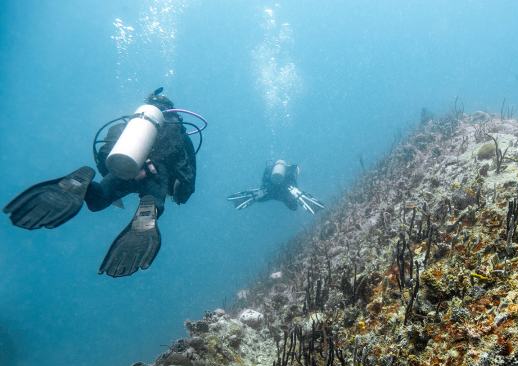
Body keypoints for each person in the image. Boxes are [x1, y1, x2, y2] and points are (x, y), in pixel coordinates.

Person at [3, 88, 202, 277]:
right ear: (173, 112)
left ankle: (83, 181)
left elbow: (105, 155)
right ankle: (149, 210)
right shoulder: (179, 132)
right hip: (156, 175)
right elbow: (187, 175)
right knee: (153, 201)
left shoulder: (127, 126)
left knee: (98, 201)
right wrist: (179, 192)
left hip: (124, 169)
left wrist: (127, 170)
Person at [227, 159, 325, 214]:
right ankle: (296, 193)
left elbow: (264, 180)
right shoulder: (291, 168)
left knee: (261, 195)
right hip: (286, 189)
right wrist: (293, 186)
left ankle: (257, 194)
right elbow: (294, 176)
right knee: (294, 206)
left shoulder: (269, 169)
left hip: (270, 190)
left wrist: (265, 187)